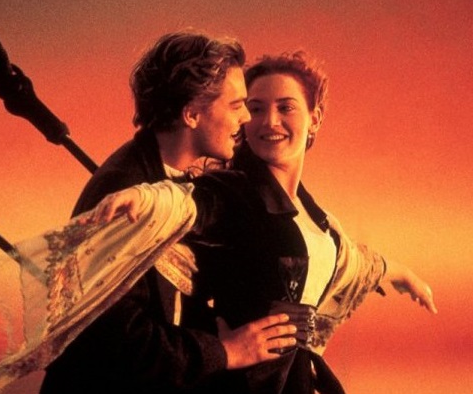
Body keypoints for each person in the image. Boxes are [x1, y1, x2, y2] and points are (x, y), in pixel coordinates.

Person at [89, 51, 438, 393]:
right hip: (246, 381)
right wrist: (145, 197)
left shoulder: (314, 216)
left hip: (295, 377)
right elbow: (188, 202)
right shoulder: (232, 190)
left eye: (285, 107)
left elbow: (352, 261)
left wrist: (399, 272)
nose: (270, 121)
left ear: (315, 118)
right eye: (255, 108)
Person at [39, 31, 297, 394]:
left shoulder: (174, 181)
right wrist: (226, 351)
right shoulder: (123, 196)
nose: (244, 118)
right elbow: (118, 341)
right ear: (191, 114)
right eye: (235, 105)